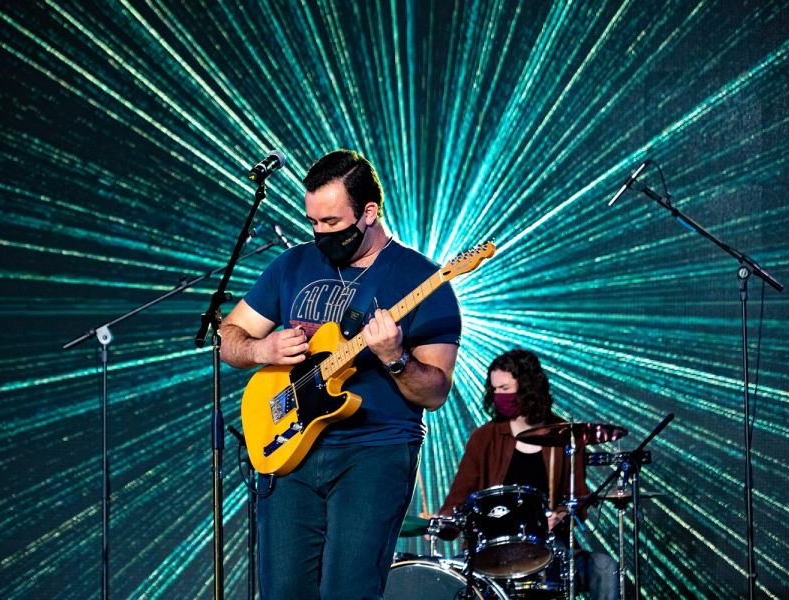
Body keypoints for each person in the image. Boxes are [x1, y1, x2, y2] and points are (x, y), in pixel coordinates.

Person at [220, 149, 462, 599]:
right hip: (289, 449)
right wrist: (262, 347)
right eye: (313, 221)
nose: (319, 233)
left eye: (331, 222)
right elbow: (228, 337)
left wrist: (395, 358)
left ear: (368, 212)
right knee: (284, 592)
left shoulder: (423, 280)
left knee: (348, 590)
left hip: (374, 453)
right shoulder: (292, 264)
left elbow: (434, 392)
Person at [438, 348, 619, 600]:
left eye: (505, 389)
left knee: (606, 567)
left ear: (528, 388)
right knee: (447, 580)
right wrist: (444, 521)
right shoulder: (484, 438)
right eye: (495, 390)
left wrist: (560, 515)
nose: (498, 396)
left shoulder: (567, 437)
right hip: (494, 550)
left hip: (549, 546)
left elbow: (579, 499)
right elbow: (458, 497)